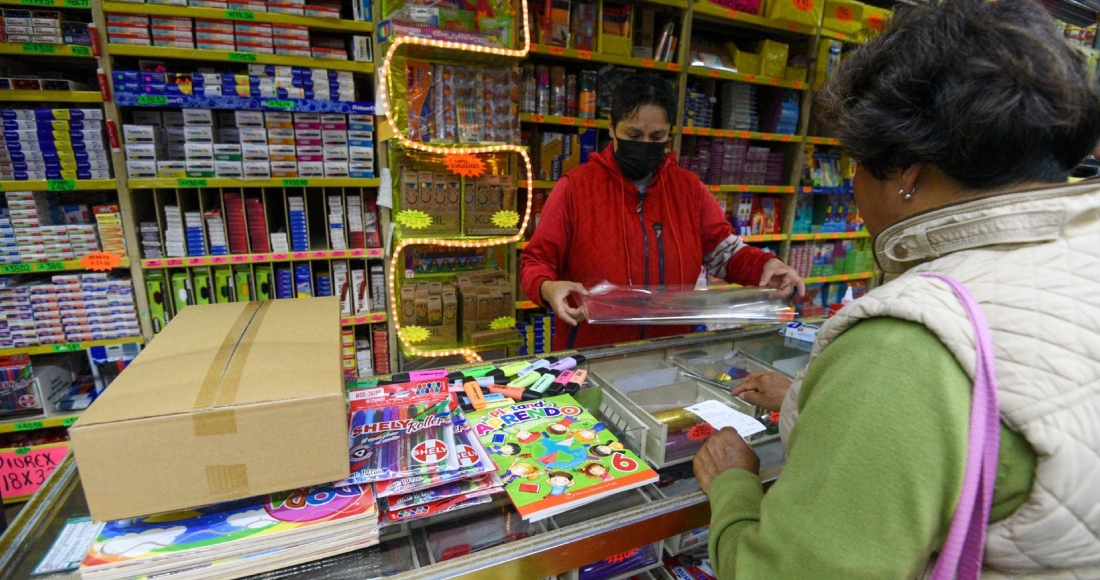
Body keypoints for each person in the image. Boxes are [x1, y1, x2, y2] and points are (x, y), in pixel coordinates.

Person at [693, 0, 1100, 577]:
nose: (853, 182)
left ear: (906, 167)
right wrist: (814, 402)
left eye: (854, 160)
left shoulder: (903, 342)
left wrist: (735, 492)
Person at [520, 73, 804, 351]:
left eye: (657, 136)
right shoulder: (575, 188)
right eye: (633, 134)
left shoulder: (688, 189)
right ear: (611, 126)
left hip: (672, 352)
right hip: (592, 353)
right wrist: (549, 288)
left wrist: (767, 266)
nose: (644, 144)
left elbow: (725, 253)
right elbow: (536, 261)